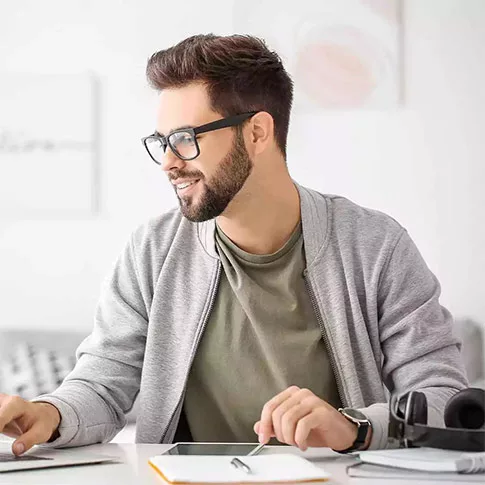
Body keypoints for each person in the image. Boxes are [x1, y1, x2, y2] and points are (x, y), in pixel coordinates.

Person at [0, 34, 468, 456]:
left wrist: (355, 428)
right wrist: (50, 414)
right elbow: (103, 383)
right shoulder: (152, 250)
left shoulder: (376, 246)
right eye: (161, 141)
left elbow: (444, 398)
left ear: (257, 133)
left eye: (184, 139)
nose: (168, 162)